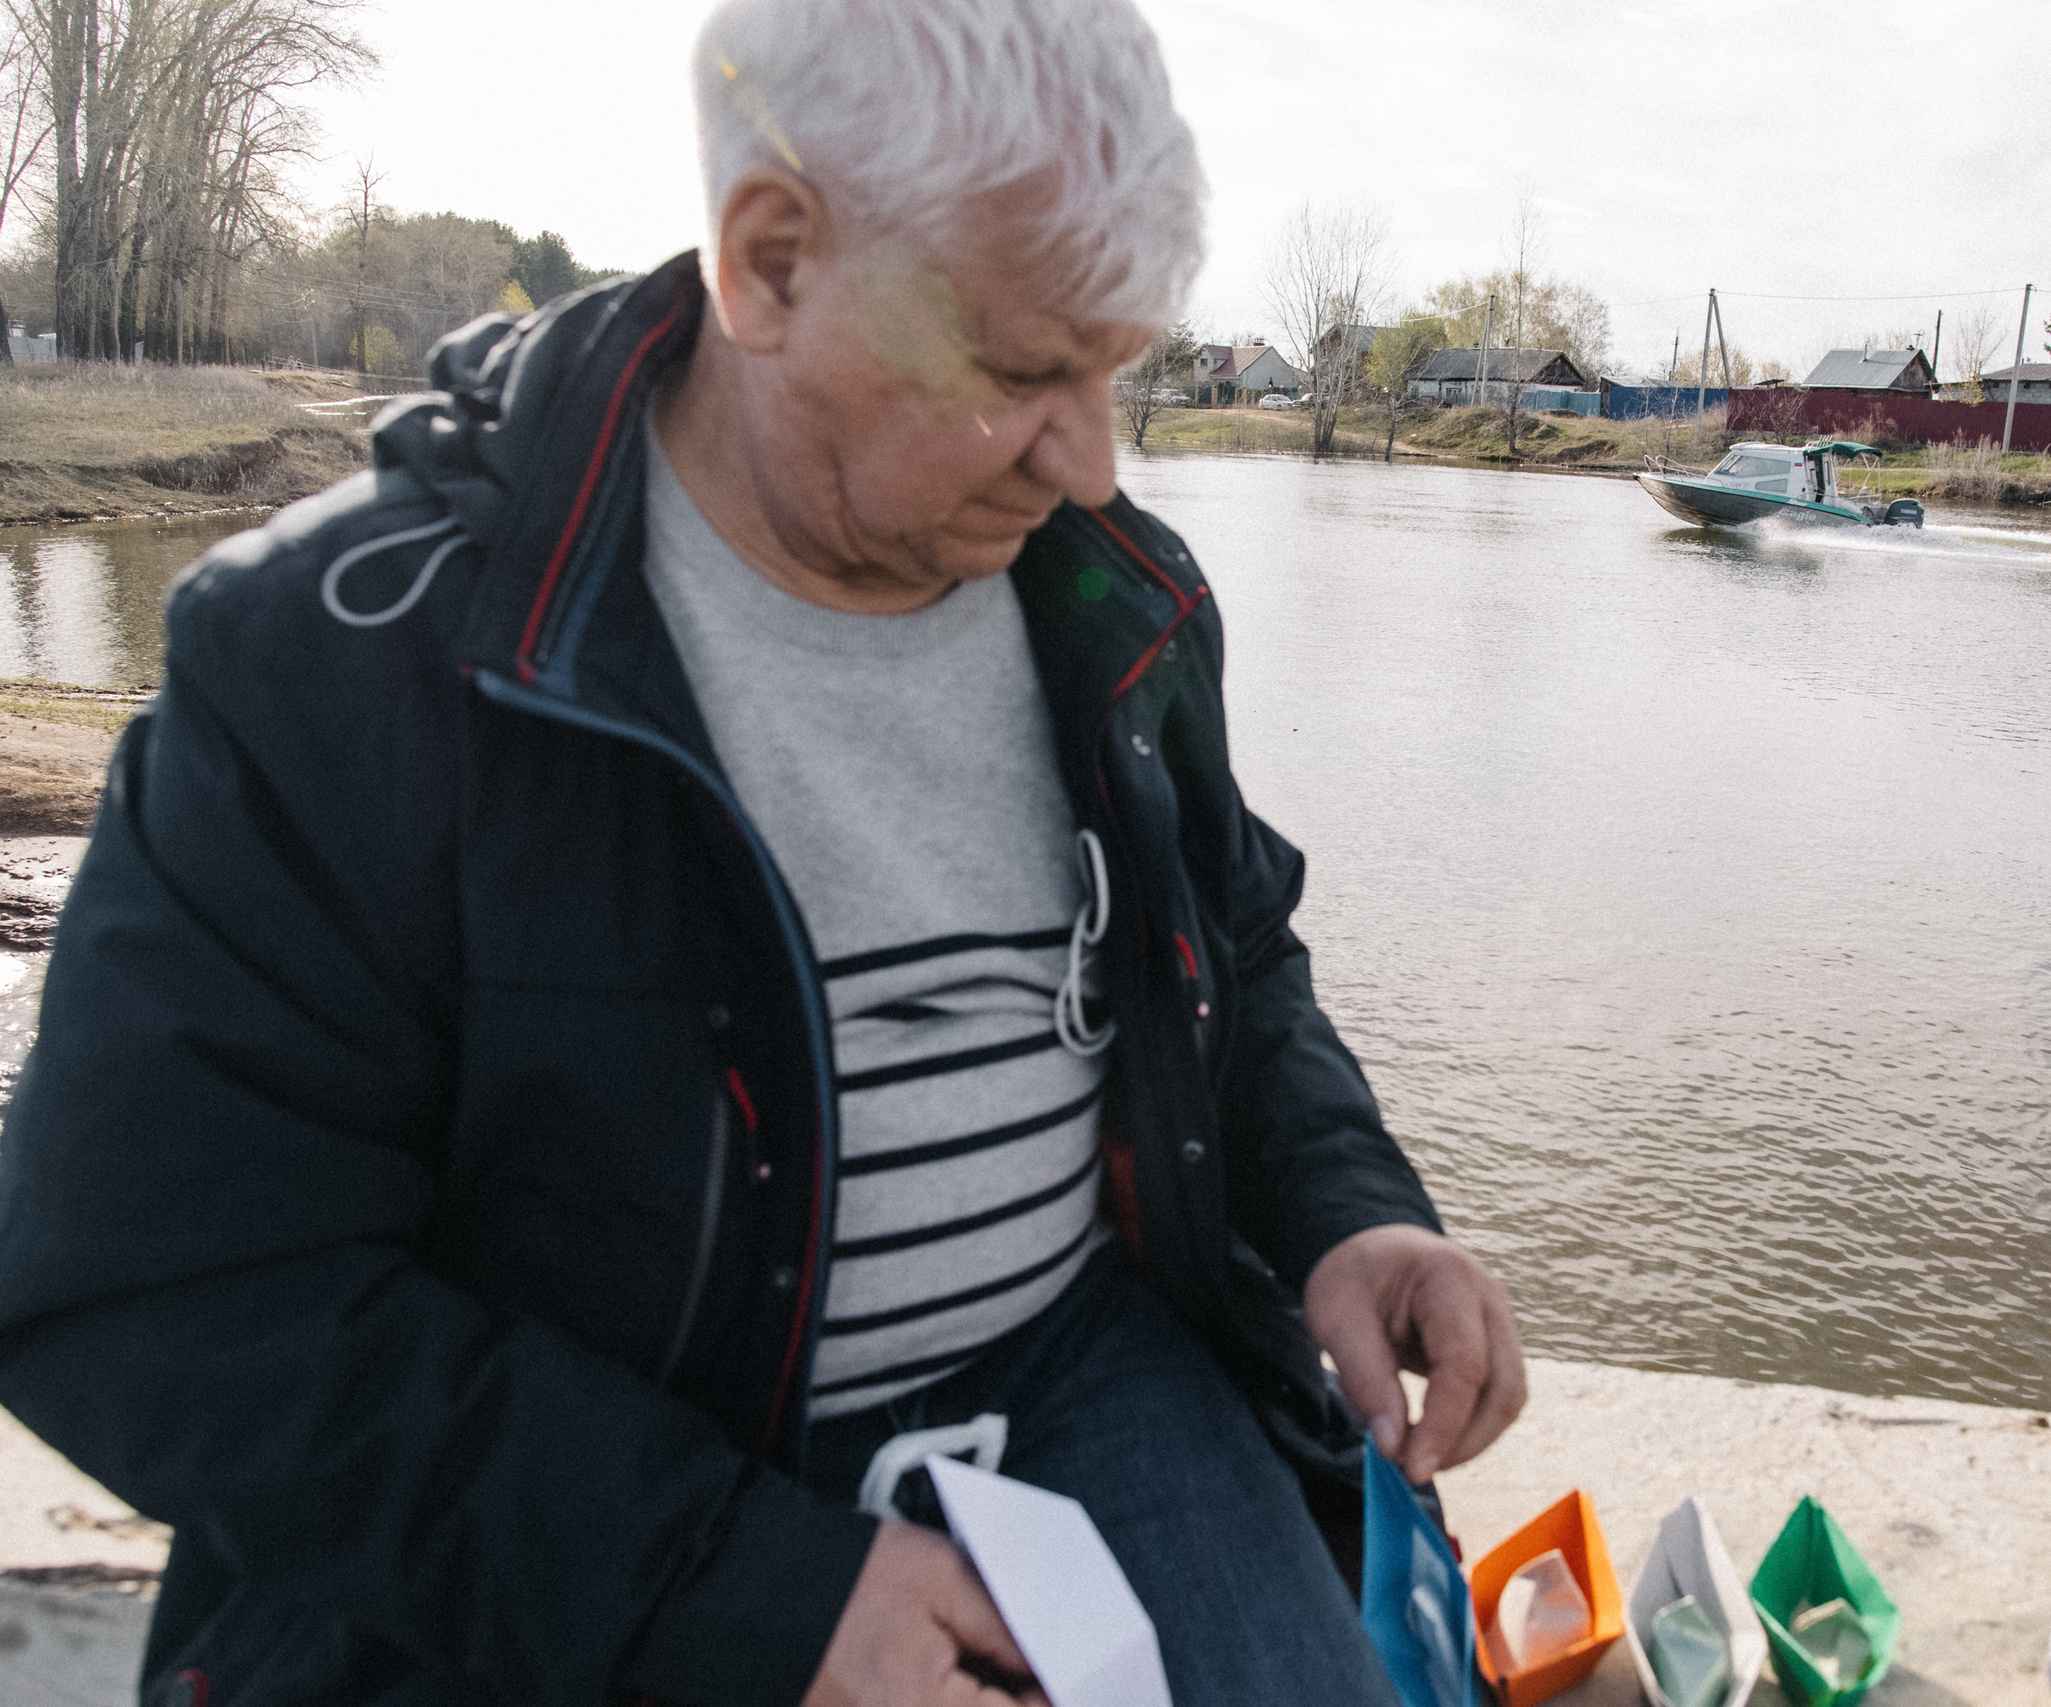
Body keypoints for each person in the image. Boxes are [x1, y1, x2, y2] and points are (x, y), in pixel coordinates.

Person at [0, 1, 1526, 1703]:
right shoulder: (335, 663)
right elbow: (154, 1297)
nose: (1093, 456)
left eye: (1122, 370)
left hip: (1096, 1373)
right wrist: (735, 1595)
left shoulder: (1117, 597)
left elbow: (1230, 955)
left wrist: (1347, 1215)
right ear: (774, 262)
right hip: (619, 1500)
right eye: (1024, 372)